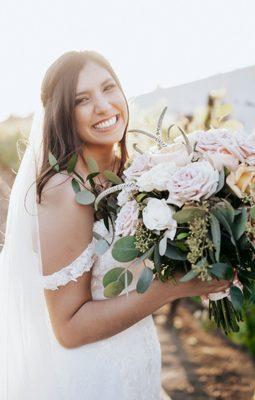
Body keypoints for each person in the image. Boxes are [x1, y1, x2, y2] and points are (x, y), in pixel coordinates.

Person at [0, 50, 230, 400]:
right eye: (82, 100)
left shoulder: (127, 176)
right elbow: (69, 328)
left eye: (109, 88)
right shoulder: (66, 191)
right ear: (63, 114)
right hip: (94, 378)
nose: (105, 106)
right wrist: (170, 289)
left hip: (136, 355)